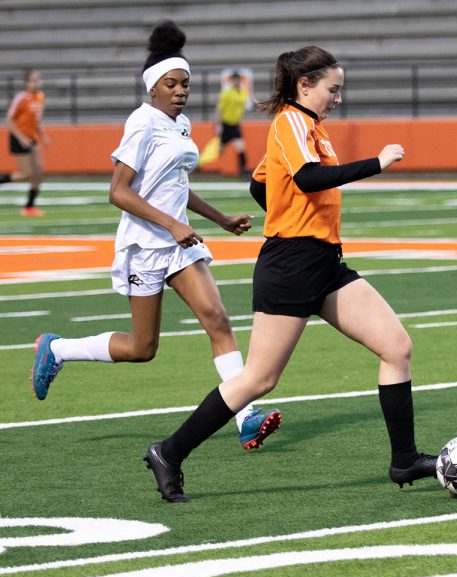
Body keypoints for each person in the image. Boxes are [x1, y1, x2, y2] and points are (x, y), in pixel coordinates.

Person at [144, 45, 436, 503]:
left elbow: (261, 183)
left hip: (323, 262)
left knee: (396, 345)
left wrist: (287, 214)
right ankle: (168, 452)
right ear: (305, 85)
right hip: (292, 265)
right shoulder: (290, 122)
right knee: (259, 379)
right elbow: (306, 179)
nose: (338, 98)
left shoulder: (310, 127)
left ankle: (405, 460)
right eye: (332, 89)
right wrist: (377, 163)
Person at [30, 20, 281, 451]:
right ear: (153, 88)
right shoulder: (142, 123)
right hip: (145, 246)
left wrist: (218, 219)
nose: (181, 91)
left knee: (217, 319)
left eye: (185, 84)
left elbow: (176, 187)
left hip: (180, 246)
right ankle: (58, 349)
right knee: (143, 348)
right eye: (172, 84)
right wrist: (171, 223)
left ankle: (245, 416)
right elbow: (118, 191)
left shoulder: (179, 126)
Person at [0, 69, 51, 216]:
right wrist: (21, 138)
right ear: (27, 82)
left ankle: (29, 206)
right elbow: (8, 120)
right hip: (19, 137)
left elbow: (36, 120)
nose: (37, 82)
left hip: (32, 138)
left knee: (39, 171)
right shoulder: (21, 98)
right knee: (25, 174)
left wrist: (43, 136)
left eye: (38, 79)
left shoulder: (40, 97)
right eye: (33, 80)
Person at [213, 70, 250, 178]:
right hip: (226, 124)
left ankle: (243, 171)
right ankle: (200, 164)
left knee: (241, 148)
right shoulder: (227, 93)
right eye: (235, 80)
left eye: (238, 80)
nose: (237, 82)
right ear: (231, 81)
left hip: (235, 125)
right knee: (219, 150)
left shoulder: (243, 92)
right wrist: (218, 125)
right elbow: (219, 109)